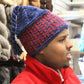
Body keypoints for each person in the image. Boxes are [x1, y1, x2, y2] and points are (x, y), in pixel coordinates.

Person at [11, 5, 81, 84]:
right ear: (40, 48)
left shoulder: (68, 74)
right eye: (62, 40)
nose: (70, 44)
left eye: (67, 38)